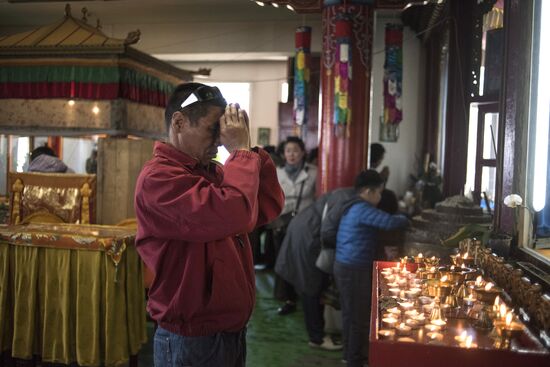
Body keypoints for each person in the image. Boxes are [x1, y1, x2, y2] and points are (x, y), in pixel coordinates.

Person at [134, 82, 284, 367]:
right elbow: (236, 213)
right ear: (178, 122)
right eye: (212, 130)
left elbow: (265, 207)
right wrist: (239, 154)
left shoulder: (211, 172)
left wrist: (249, 149)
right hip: (191, 336)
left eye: (223, 131)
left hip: (227, 329)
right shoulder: (158, 180)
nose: (219, 140)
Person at [334, 170, 409, 367]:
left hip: (345, 265)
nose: (380, 197)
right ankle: (355, 360)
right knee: (358, 317)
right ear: (368, 191)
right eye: (379, 192)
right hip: (354, 267)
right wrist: (406, 217)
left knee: (350, 314)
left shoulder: (353, 205)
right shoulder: (362, 209)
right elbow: (390, 222)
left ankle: (348, 355)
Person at [273, 136, 317, 315]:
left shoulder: (313, 172)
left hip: (305, 225)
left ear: (303, 153)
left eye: (295, 150)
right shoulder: (276, 172)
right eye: (288, 151)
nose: (292, 154)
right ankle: (288, 300)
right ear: (283, 154)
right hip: (282, 222)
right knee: (283, 261)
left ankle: (305, 297)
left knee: (303, 261)